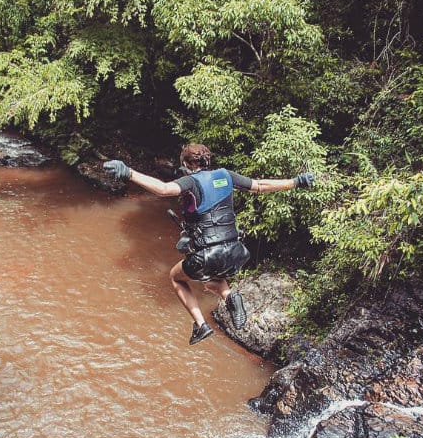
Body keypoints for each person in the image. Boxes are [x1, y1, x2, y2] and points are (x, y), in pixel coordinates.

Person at [104, 143, 315, 345]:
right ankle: (230, 295)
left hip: (208, 255)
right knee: (212, 281)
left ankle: (201, 324)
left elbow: (164, 189)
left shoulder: (191, 182)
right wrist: (296, 181)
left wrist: (129, 172)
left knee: (176, 278)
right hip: (235, 253)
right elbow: (260, 185)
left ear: (187, 165)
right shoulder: (225, 175)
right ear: (207, 161)